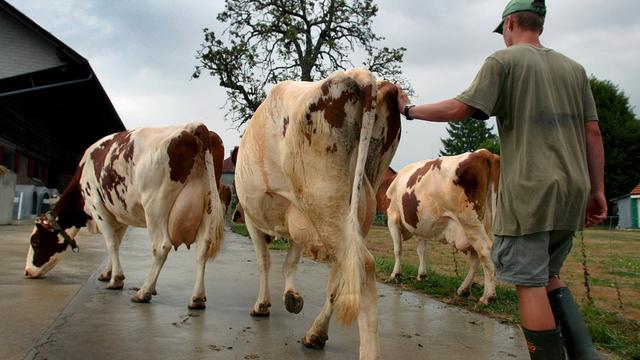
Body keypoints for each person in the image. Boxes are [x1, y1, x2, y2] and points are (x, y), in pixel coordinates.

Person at [395, 1, 607, 359]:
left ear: (510, 24)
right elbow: (593, 133)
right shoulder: (575, 69)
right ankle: (586, 354)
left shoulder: (504, 61)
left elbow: (460, 108)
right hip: (573, 188)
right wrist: (597, 190)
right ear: (539, 24)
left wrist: (409, 110)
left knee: (530, 284)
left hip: (530, 190)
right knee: (550, 275)